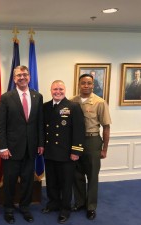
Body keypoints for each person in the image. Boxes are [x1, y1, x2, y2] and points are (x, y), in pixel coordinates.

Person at [0, 65, 44, 224]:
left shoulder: (37, 96)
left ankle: (25, 207)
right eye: (18, 75)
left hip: (31, 148)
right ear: (14, 78)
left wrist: (40, 143)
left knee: (27, 181)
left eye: (25, 74)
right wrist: (2, 147)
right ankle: (9, 209)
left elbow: (39, 123)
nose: (22, 77)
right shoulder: (6, 97)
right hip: (11, 149)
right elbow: (1, 125)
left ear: (29, 77)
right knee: (9, 181)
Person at [41, 80, 85, 223]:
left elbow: (79, 130)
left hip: (66, 154)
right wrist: (41, 145)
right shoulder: (45, 107)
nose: (57, 92)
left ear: (65, 90)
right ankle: (53, 203)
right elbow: (42, 129)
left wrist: (76, 151)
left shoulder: (73, 106)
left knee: (66, 183)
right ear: (51, 90)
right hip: (50, 152)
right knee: (52, 181)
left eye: (60, 89)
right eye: (55, 89)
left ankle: (65, 209)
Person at [71, 74, 111, 220]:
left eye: (89, 83)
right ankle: (80, 202)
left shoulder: (100, 102)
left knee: (92, 175)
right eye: (83, 83)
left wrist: (105, 148)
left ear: (93, 85)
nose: (86, 86)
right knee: (76, 174)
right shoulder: (72, 101)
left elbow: (106, 127)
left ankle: (91, 206)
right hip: (75, 141)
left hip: (92, 140)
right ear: (79, 84)